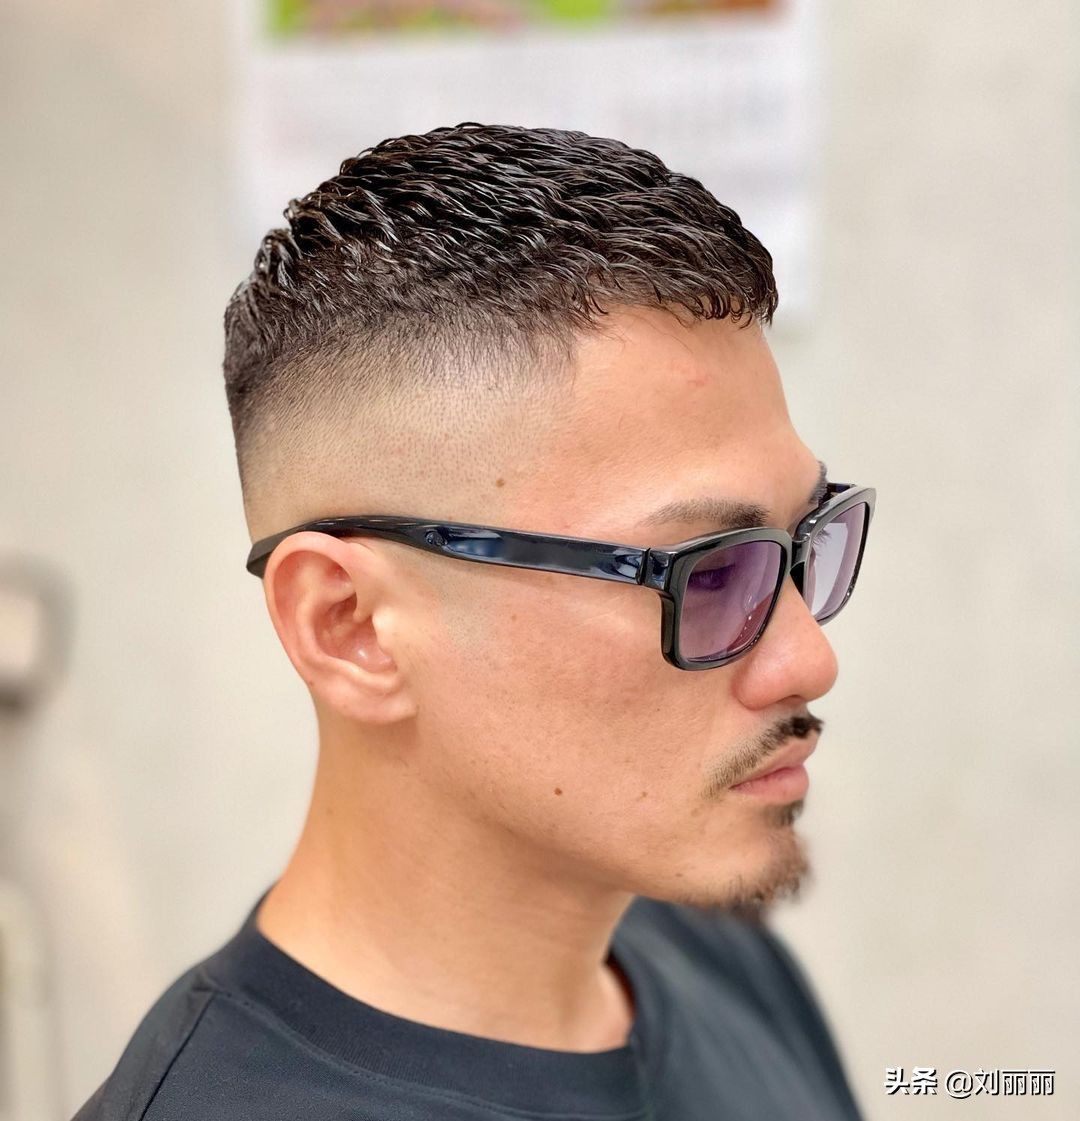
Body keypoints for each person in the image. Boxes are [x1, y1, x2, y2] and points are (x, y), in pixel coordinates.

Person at [74, 121, 874, 1121]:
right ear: (351, 627)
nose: (808, 657)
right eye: (709, 572)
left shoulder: (713, 953)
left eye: (805, 542)